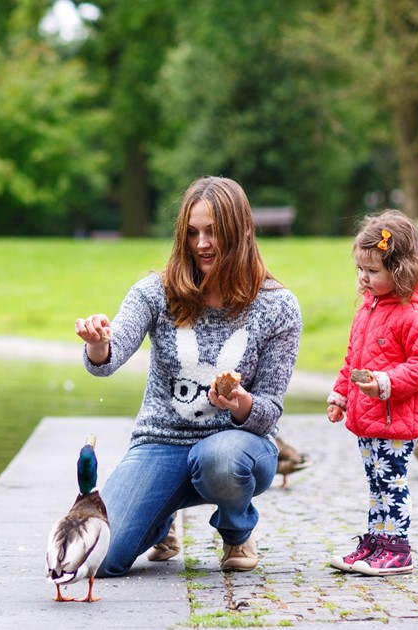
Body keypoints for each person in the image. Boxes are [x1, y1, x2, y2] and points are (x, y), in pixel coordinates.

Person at [74, 176, 301, 576]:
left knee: (219, 460)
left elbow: (269, 411)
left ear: (243, 230)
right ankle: (161, 518)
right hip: (161, 443)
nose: (201, 244)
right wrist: (97, 343)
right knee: (103, 560)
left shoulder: (278, 306)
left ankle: (236, 531)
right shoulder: (154, 292)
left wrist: (241, 403)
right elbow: (109, 358)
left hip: (236, 448)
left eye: (213, 232)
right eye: (192, 233)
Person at [326, 209, 418, 577]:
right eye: (360, 269)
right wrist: (341, 394)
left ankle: (398, 548)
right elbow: (353, 358)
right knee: (377, 484)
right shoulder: (369, 309)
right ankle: (377, 542)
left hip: (395, 418)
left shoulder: (413, 313)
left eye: (373, 271)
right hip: (368, 418)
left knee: (392, 483)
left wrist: (386, 384)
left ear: (401, 270)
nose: (363, 278)